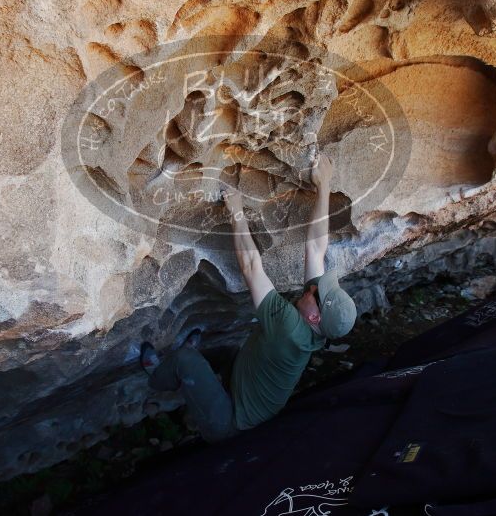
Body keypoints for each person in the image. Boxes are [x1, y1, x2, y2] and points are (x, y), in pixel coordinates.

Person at [140, 153, 357, 442]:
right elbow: (316, 249)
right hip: (246, 390)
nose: (314, 287)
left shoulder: (289, 327)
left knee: (184, 358)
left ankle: (157, 378)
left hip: (230, 423)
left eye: (318, 294)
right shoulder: (315, 321)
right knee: (227, 352)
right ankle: (198, 385)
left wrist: (236, 212)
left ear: (314, 317)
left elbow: (251, 267)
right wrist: (324, 184)